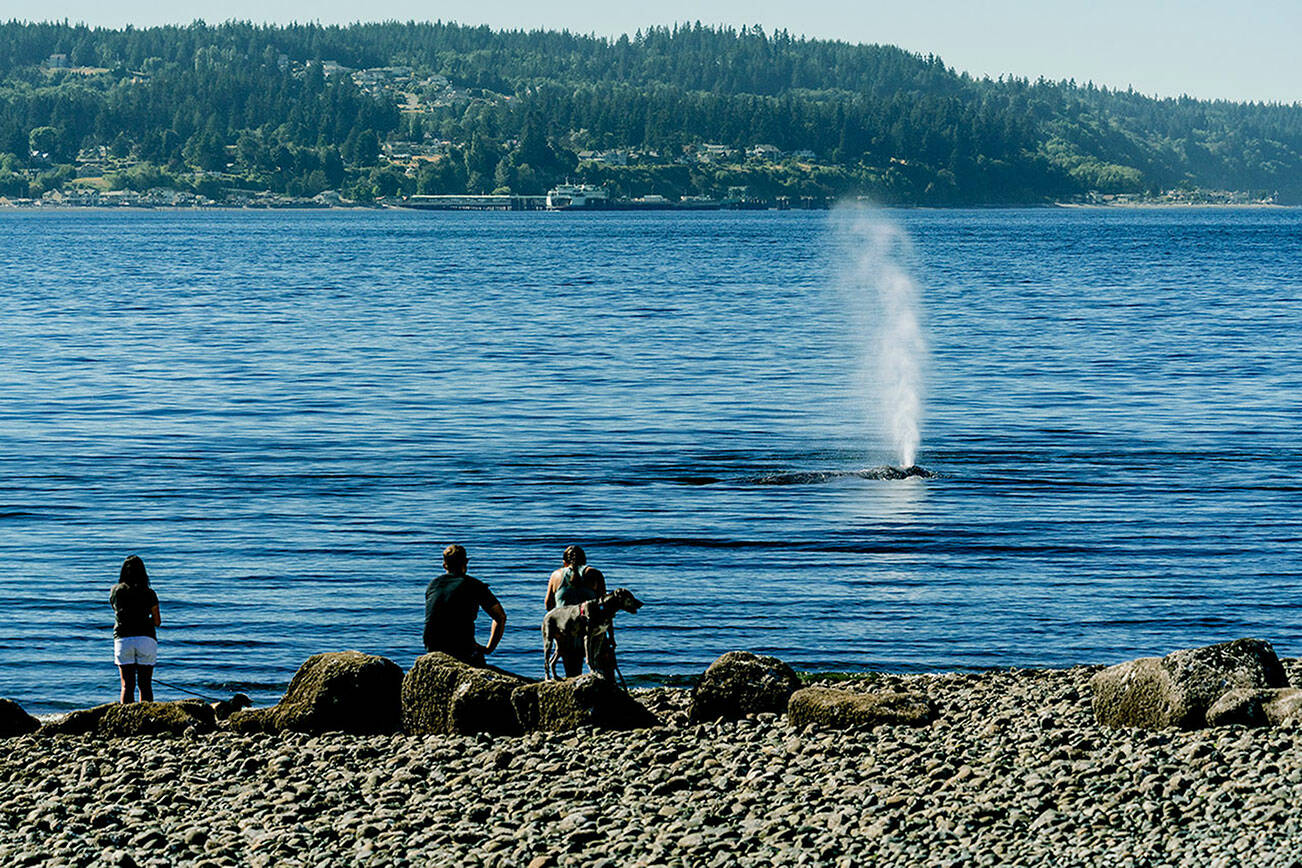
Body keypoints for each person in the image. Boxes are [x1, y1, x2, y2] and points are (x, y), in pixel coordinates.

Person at [423, 544, 506, 667]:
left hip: (432, 646)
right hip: (461, 649)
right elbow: (500, 617)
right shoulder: (475, 586)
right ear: (465, 563)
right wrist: (489, 648)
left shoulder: (433, 585)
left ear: (444, 564)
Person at [544, 545, 613, 678]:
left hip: (568, 632)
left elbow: (549, 606)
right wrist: (610, 636)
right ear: (585, 560)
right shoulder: (595, 574)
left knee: (573, 676)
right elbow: (605, 608)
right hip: (593, 632)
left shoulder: (556, 576)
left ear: (564, 562)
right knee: (606, 675)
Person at [110, 555, 161, 704]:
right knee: (145, 686)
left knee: (127, 685)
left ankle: (126, 720)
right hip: (146, 639)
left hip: (123, 639)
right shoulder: (149, 593)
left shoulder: (116, 591)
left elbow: (117, 611)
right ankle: (146, 720)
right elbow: (157, 621)